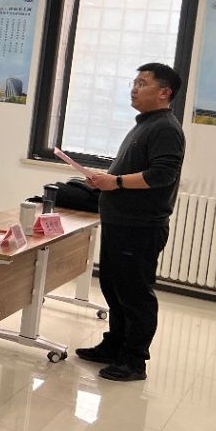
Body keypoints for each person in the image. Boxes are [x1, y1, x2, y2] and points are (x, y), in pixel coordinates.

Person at [78, 63, 186, 382]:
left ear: (164, 92)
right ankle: (115, 345)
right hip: (121, 222)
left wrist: (116, 182)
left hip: (140, 227)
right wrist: (106, 180)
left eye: (142, 83)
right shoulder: (147, 124)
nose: (134, 89)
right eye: (134, 82)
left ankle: (134, 360)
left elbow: (162, 174)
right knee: (114, 287)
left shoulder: (165, 127)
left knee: (135, 294)